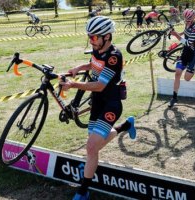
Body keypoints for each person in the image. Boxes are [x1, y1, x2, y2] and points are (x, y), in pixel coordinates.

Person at [59, 16, 137, 200]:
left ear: (107, 37)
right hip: (97, 102)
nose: (91, 40)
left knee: (92, 146)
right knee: (93, 147)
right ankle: (126, 126)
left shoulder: (113, 56)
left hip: (111, 104)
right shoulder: (98, 50)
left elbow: (100, 85)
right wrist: (80, 66)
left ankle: (83, 190)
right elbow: (94, 65)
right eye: (89, 37)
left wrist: (73, 85)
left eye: (94, 37)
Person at [168, 9, 195, 107]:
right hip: (185, 52)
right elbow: (185, 31)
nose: (187, 20)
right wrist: (179, 33)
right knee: (177, 73)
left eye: (189, 19)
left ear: (194, 17)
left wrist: (176, 35)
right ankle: (174, 97)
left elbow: (188, 43)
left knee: (187, 78)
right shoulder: (187, 24)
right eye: (185, 19)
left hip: (193, 54)